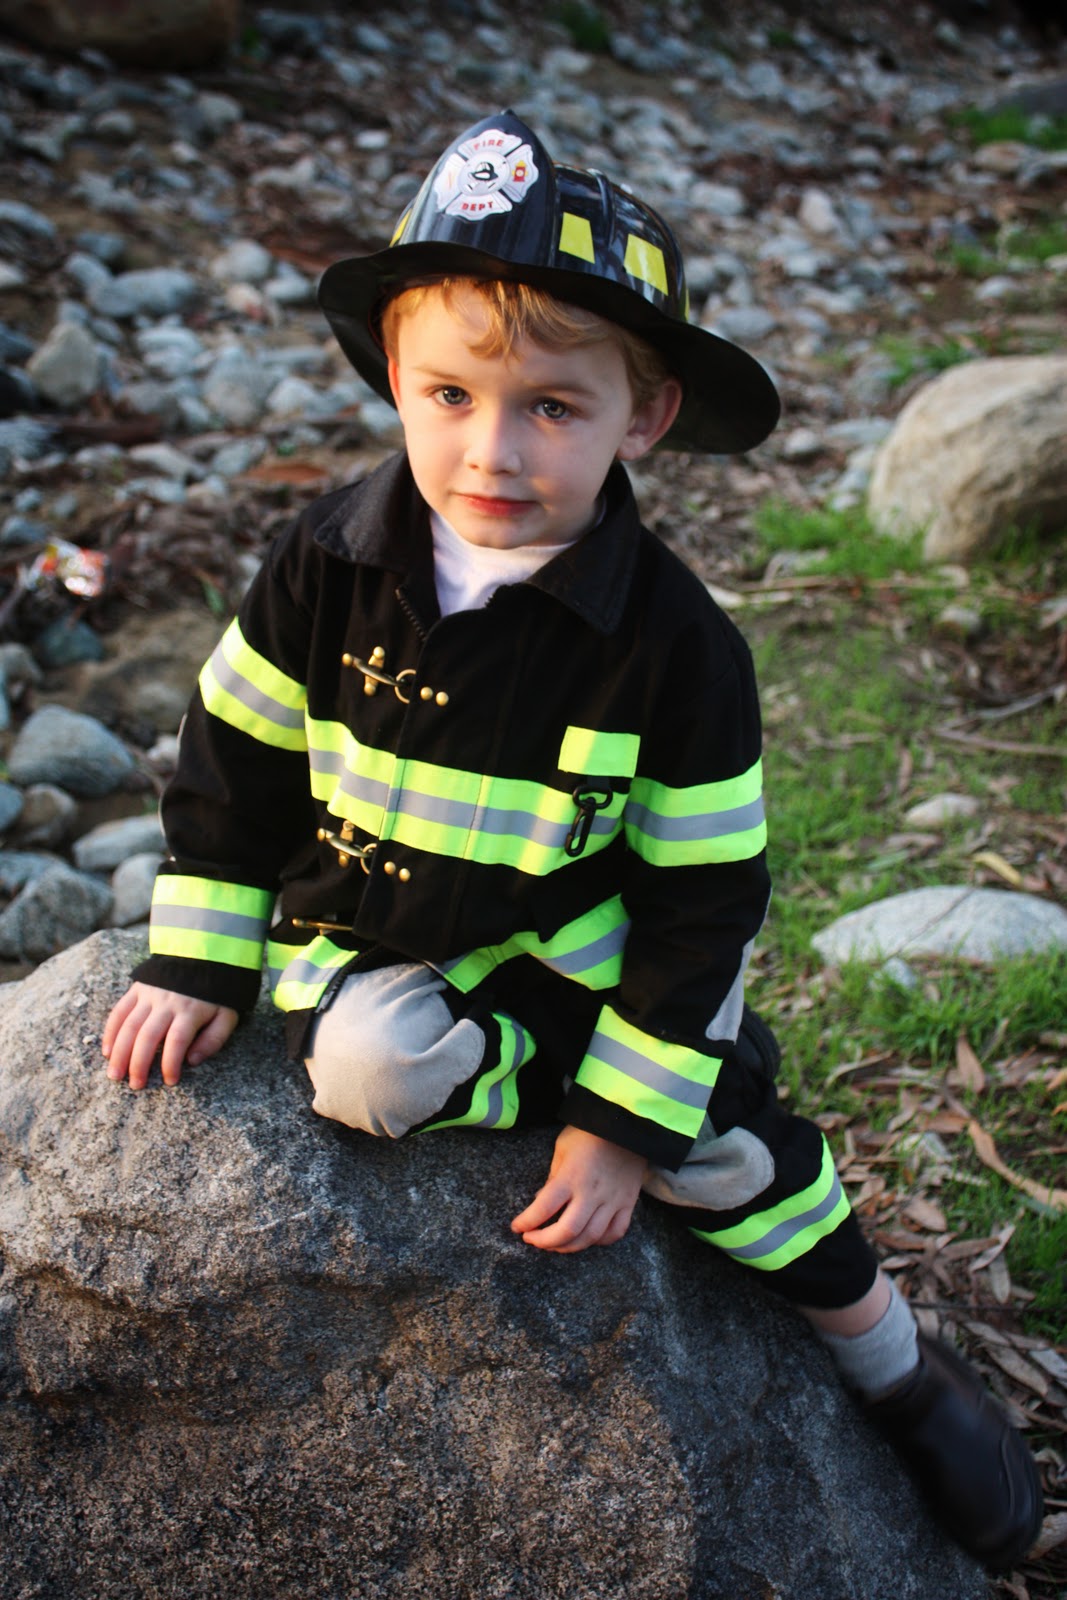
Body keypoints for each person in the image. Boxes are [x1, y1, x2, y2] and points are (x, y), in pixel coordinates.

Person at [102, 111, 1041, 1571]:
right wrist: (202, 962)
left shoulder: (677, 647)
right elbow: (232, 764)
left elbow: (704, 893)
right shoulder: (324, 563)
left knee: (726, 1155)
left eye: (553, 406)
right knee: (361, 1072)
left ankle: (893, 1365)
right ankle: (538, 1081)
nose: (491, 446)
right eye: (451, 393)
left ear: (642, 416)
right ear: (395, 381)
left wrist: (620, 1120)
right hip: (396, 932)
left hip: (609, 958)